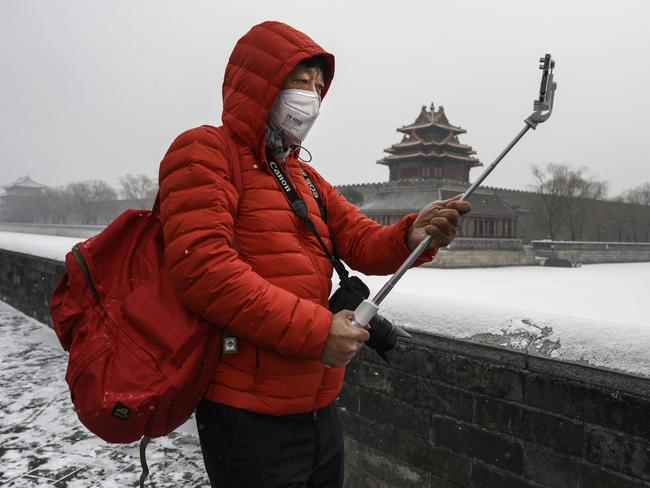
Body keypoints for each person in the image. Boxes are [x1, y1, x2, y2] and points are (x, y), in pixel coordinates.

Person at [157, 20, 471, 488]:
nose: (312, 96)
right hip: (247, 410)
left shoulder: (302, 175)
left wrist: (411, 234)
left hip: (318, 402)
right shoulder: (205, 152)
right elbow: (203, 269)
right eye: (300, 81)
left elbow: (362, 239)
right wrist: (317, 331)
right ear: (261, 82)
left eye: (319, 87)